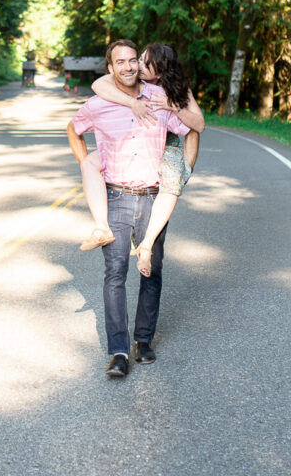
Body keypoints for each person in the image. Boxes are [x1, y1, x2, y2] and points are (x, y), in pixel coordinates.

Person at [67, 39, 199, 377]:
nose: (127, 66)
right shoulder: (98, 103)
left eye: (131, 60)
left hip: (153, 197)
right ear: (110, 68)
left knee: (151, 270)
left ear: (138, 65)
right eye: (120, 62)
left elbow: (190, 129)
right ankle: (118, 351)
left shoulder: (157, 99)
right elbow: (74, 128)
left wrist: (186, 166)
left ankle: (143, 340)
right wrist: (88, 163)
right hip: (116, 197)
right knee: (115, 275)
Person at [80, 42, 204, 279]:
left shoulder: (177, 88)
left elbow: (197, 126)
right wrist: (133, 102)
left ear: (161, 71)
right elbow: (98, 85)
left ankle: (145, 245)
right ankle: (107, 229)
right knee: (92, 163)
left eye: (146, 63)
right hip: (142, 140)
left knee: (170, 181)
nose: (139, 66)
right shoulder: (134, 81)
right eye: (140, 60)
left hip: (169, 143)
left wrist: (172, 107)